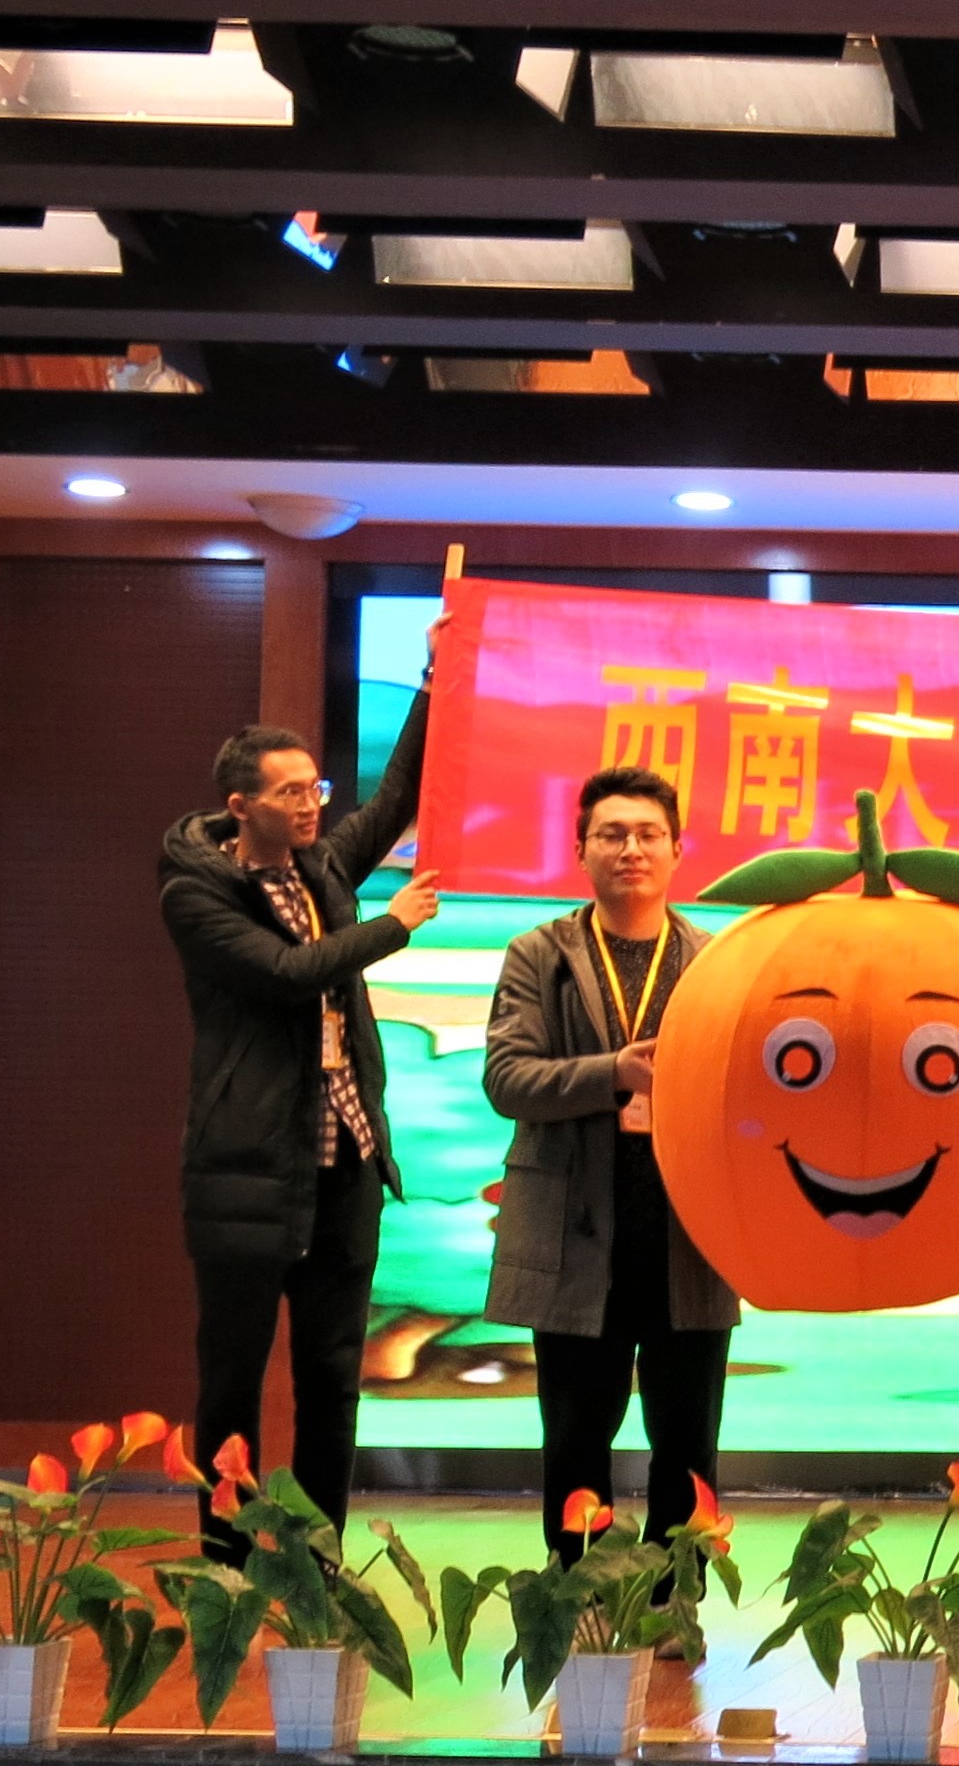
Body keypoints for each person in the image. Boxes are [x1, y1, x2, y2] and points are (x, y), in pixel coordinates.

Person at [157, 637, 440, 1559]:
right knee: (232, 1381)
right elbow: (287, 972)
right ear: (241, 807)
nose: (312, 804)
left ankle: (320, 1557)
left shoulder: (321, 869)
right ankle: (226, 1557)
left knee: (333, 1377)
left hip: (344, 1165)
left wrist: (435, 680)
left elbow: (394, 800)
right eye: (290, 793)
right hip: (248, 1173)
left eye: (315, 787)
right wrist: (392, 926)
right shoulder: (195, 894)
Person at [482, 766, 738, 1574]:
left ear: (677, 850)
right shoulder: (538, 955)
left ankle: (674, 1600)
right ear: (581, 850)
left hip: (686, 1234)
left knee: (689, 1441)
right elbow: (507, 1079)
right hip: (575, 1231)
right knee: (575, 1435)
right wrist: (613, 1074)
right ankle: (577, 1595)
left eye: (648, 834)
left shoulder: (718, 962)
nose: (631, 849)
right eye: (612, 834)